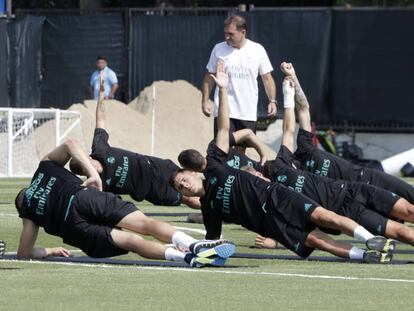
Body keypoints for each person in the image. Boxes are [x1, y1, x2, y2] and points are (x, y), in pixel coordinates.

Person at [172, 60, 393, 263]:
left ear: (190, 173)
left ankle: (370, 239)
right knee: (314, 241)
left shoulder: (214, 165)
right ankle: (365, 255)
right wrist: (190, 249)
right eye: (181, 188)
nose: (184, 185)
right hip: (267, 223)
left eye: (182, 179)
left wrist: (222, 89)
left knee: (322, 215)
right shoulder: (209, 209)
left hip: (278, 196)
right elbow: (212, 241)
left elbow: (225, 128)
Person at [242, 75, 414, 250]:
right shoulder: (279, 188)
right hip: (346, 208)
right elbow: (292, 220)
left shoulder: (300, 151)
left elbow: (299, 115)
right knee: (401, 231)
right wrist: (275, 241)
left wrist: (291, 86)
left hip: (366, 182)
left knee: (410, 209)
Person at [14, 139, 235, 268]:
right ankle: (192, 244)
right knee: (144, 223)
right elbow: (71, 144)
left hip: (73, 226)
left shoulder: (28, 213)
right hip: (83, 197)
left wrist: (51, 250)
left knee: (131, 241)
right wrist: (93, 174)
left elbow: (24, 253)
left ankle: (186, 257)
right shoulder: (43, 169)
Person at [281, 62, 414, 204]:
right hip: (352, 201)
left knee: (409, 194)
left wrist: (292, 79)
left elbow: (302, 109)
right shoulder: (296, 183)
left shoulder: (304, 149)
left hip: (368, 177)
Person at [70, 80, 200, 209]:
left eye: (87, 161)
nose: (89, 166)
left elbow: (100, 120)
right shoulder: (98, 183)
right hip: (152, 190)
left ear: (88, 157)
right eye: (85, 168)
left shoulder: (99, 149)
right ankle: (214, 212)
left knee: (192, 178)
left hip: (157, 166)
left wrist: (102, 94)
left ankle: (215, 200)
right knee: (189, 199)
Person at [201, 14, 277, 141]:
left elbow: (267, 78)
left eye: (230, 34)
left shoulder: (257, 50)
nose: (227, 37)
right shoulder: (218, 49)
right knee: (223, 147)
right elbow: (209, 77)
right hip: (223, 111)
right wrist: (204, 100)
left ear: (243, 32)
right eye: (225, 33)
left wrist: (272, 101)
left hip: (247, 112)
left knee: (241, 154)